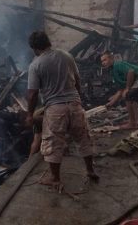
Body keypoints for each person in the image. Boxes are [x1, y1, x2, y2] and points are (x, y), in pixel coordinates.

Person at [25, 30, 97, 188]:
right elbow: (77, 80)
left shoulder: (35, 64)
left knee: (53, 143)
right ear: (48, 42)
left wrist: (30, 115)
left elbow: (32, 94)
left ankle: (55, 179)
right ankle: (90, 170)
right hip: (74, 104)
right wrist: (78, 99)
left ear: (34, 48)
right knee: (84, 138)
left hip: (55, 108)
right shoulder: (66, 56)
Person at [101, 52, 138, 129]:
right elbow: (121, 90)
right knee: (133, 100)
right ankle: (136, 121)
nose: (103, 63)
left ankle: (132, 123)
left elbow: (131, 72)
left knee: (128, 96)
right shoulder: (113, 70)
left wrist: (127, 88)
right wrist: (111, 103)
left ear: (111, 59)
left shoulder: (117, 65)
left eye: (105, 60)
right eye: (102, 61)